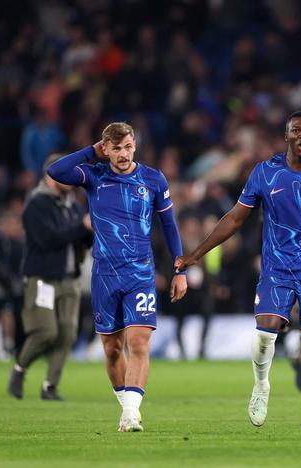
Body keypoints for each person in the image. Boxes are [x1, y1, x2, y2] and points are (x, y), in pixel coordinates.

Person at [175, 111, 301, 432]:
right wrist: (196, 254)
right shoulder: (266, 173)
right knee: (266, 333)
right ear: (287, 136)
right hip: (277, 267)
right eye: (296, 131)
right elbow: (234, 218)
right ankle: (261, 385)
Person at [46, 122, 187, 432]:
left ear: (135, 145)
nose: (123, 154)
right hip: (105, 276)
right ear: (106, 149)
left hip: (140, 273)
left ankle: (132, 413)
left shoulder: (153, 179)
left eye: (128, 147)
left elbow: (170, 226)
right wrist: (89, 152)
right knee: (112, 350)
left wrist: (180, 270)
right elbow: (55, 171)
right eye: (116, 148)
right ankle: (126, 408)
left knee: (138, 343)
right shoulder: (94, 176)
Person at [7, 152, 92, 401]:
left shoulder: (74, 206)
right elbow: (48, 239)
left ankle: (50, 386)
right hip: (43, 277)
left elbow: (83, 241)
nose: (71, 178)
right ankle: (19, 369)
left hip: (70, 277)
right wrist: (81, 226)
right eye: (66, 173)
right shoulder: (36, 204)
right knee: (45, 332)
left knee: (67, 334)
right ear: (51, 175)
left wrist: (90, 231)